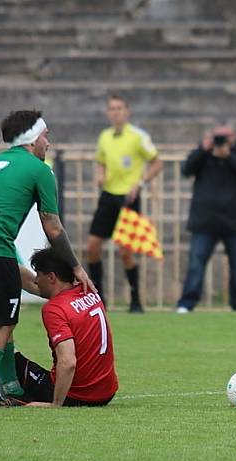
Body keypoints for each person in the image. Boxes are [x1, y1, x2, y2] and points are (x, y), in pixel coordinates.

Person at [0, 109, 96, 408]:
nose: (48, 143)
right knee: (1, 324)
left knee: (6, 319)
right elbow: (52, 226)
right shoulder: (39, 169)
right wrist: (76, 268)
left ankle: (13, 388)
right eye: (46, 136)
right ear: (32, 139)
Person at [0, 247, 118, 407]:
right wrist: (2, 265)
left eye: (38, 274)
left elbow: (68, 361)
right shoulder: (89, 291)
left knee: (3, 348)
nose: (36, 280)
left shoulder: (54, 308)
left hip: (75, 396)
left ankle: (13, 396)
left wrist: (55, 404)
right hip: (106, 393)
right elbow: (32, 283)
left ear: (51, 277)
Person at [86, 94, 163, 313]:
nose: (115, 112)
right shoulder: (104, 137)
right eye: (112, 108)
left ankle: (135, 298)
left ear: (127, 111)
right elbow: (100, 162)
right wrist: (100, 176)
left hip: (129, 198)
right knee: (92, 247)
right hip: (108, 195)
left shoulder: (137, 136)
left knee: (125, 251)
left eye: (119, 108)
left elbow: (157, 163)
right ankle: (99, 298)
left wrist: (141, 183)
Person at [176, 122, 236, 313]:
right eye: (217, 137)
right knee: (196, 264)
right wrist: (203, 150)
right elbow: (186, 170)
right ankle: (186, 303)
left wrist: (229, 156)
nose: (220, 141)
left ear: (233, 137)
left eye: (225, 137)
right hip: (205, 221)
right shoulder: (203, 153)